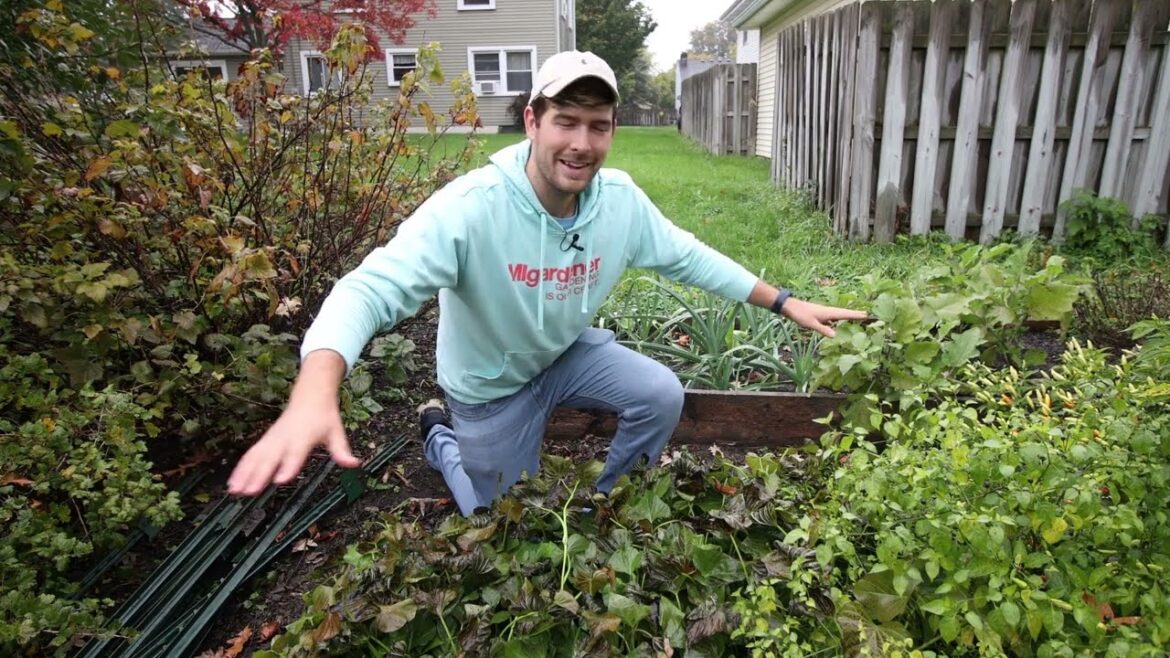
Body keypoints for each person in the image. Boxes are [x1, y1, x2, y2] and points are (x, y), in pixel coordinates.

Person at [228, 51, 866, 515]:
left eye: (598, 125)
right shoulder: (473, 207)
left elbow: (688, 256)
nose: (581, 143)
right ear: (532, 120)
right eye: (566, 120)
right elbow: (367, 290)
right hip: (488, 389)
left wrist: (784, 302)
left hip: (565, 353)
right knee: (497, 517)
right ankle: (440, 438)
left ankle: (608, 502)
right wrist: (315, 389)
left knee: (661, 394)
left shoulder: (619, 201)